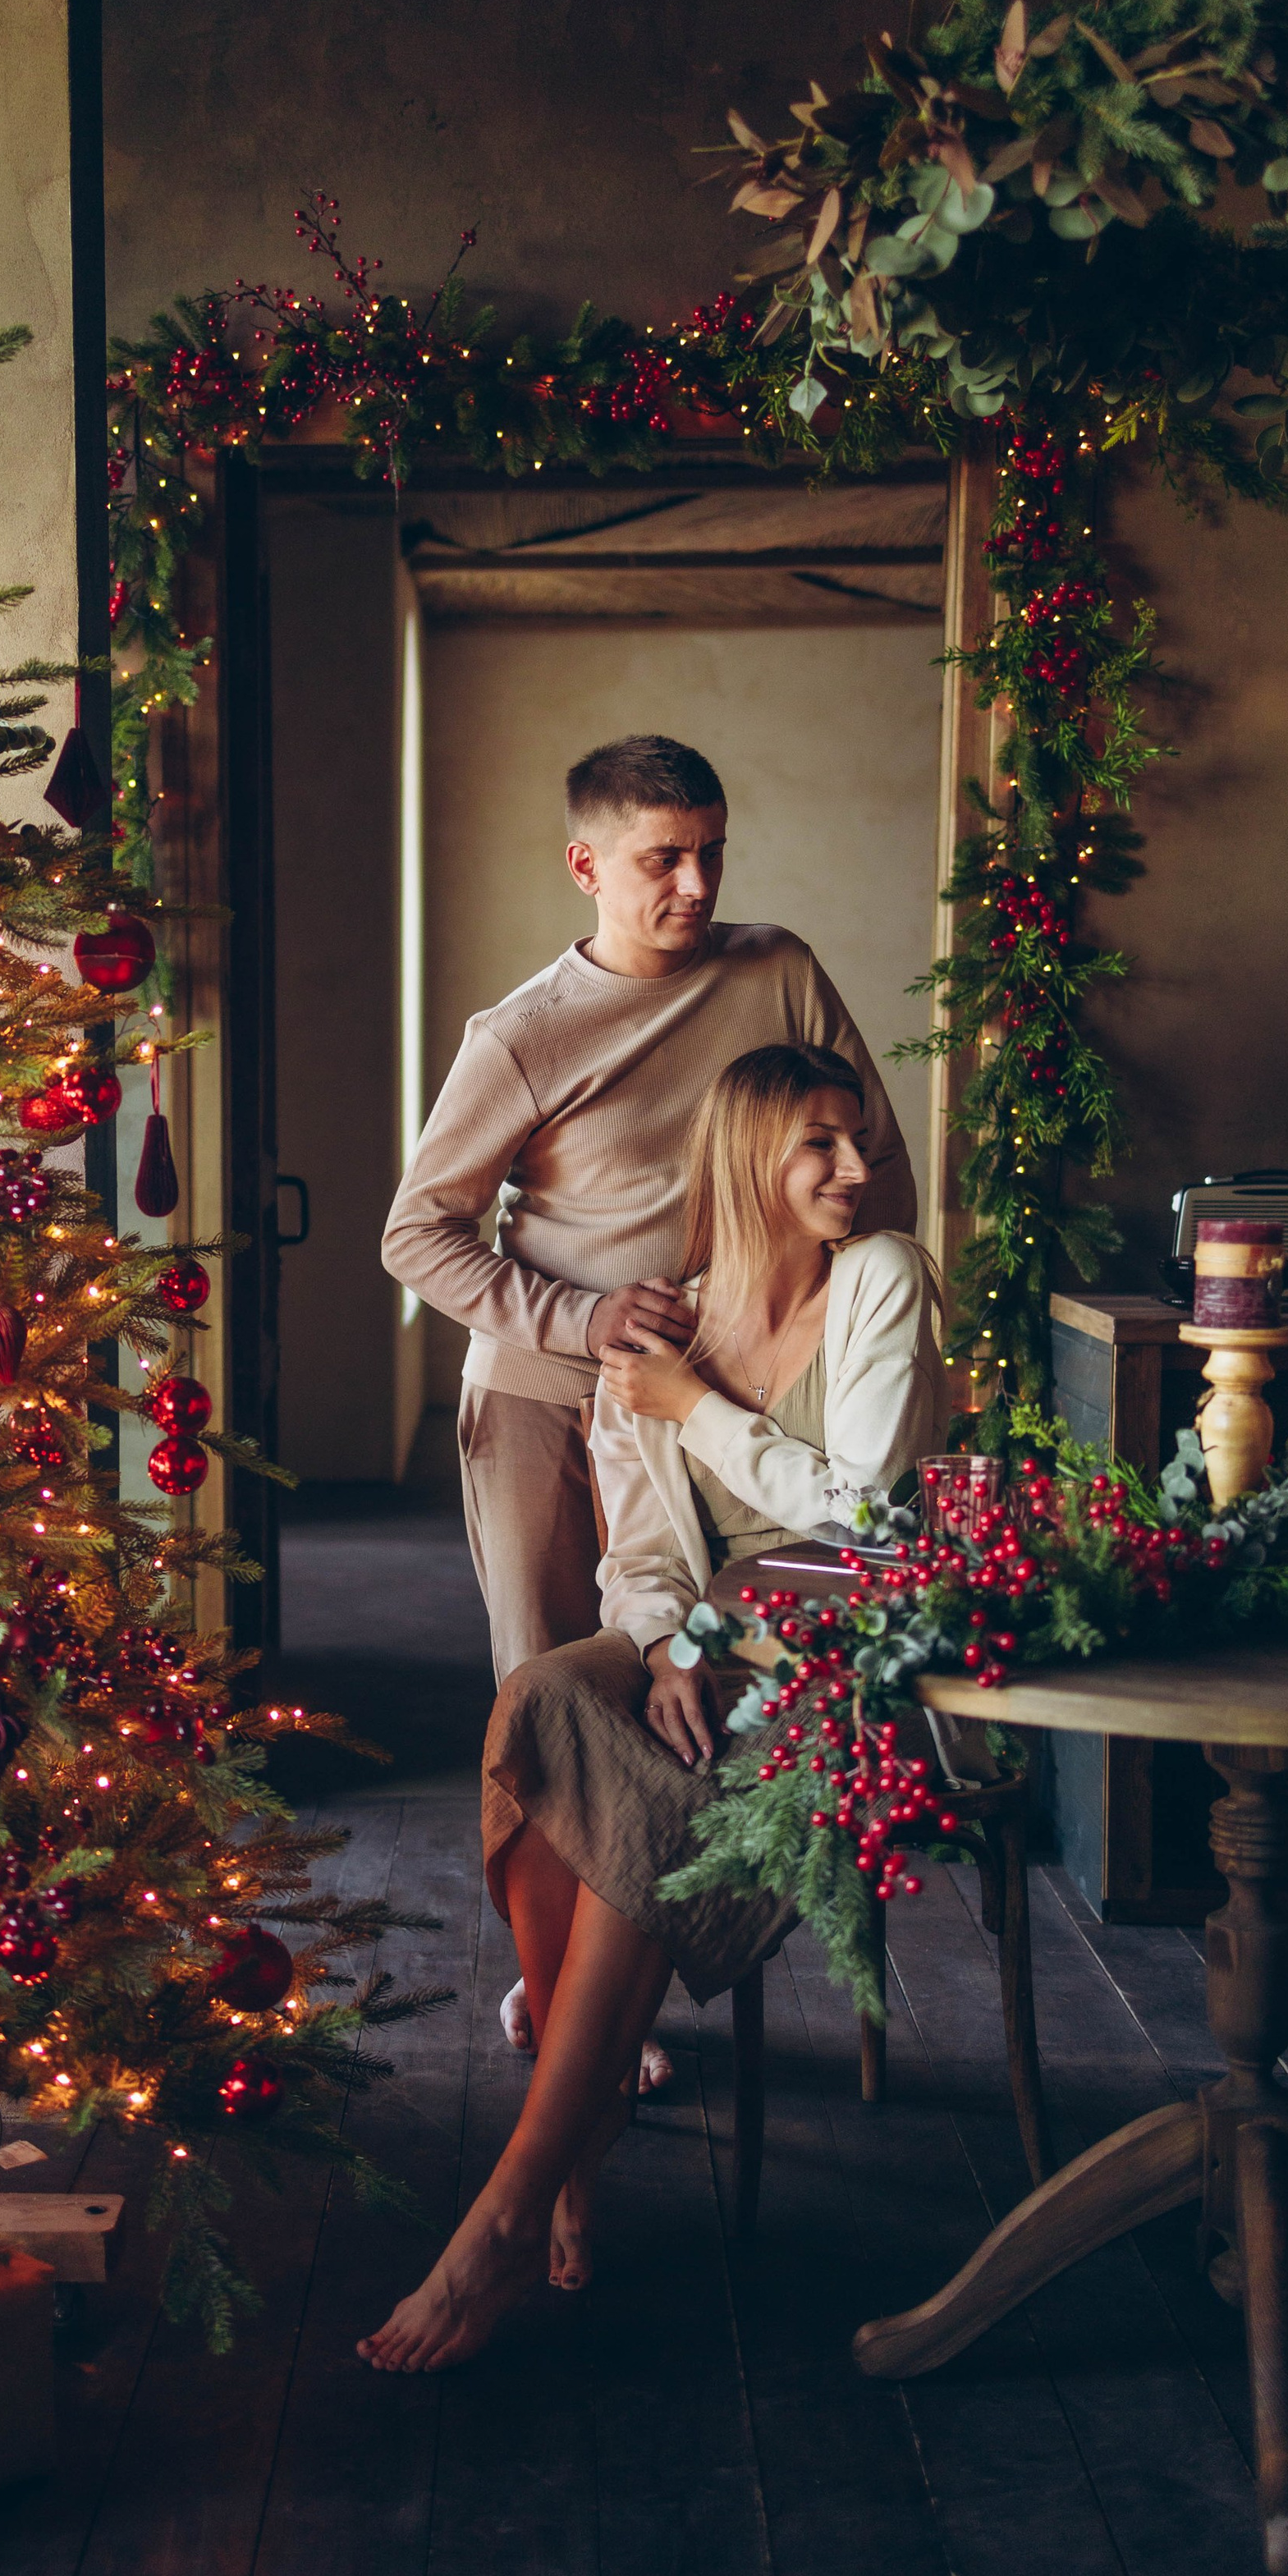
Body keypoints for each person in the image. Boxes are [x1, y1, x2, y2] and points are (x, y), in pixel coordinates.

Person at [360, 1043, 942, 2373]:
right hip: (707, 1634)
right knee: (546, 1701)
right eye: (821, 1147)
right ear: (747, 1159)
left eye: (855, 1143)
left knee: (643, 1782)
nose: (858, 1170)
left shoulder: (882, 1282)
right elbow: (643, 1556)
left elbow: (873, 1517)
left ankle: (526, 2192)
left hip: (832, 1654)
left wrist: (701, 1414)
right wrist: (671, 1641)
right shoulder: (659, 1325)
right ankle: (578, 2138)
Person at [380, 733, 916, 2086]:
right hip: (550, 1398)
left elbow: (873, 1158)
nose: (695, 882)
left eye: (711, 850)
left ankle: (628, 1980)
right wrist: (585, 1319)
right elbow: (417, 1238)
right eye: (660, 859)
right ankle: (553, 1998)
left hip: (727, 1392)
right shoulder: (521, 1035)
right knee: (551, 1691)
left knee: (682, 1695)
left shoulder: (777, 969)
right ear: (585, 866)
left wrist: (830, 1316)